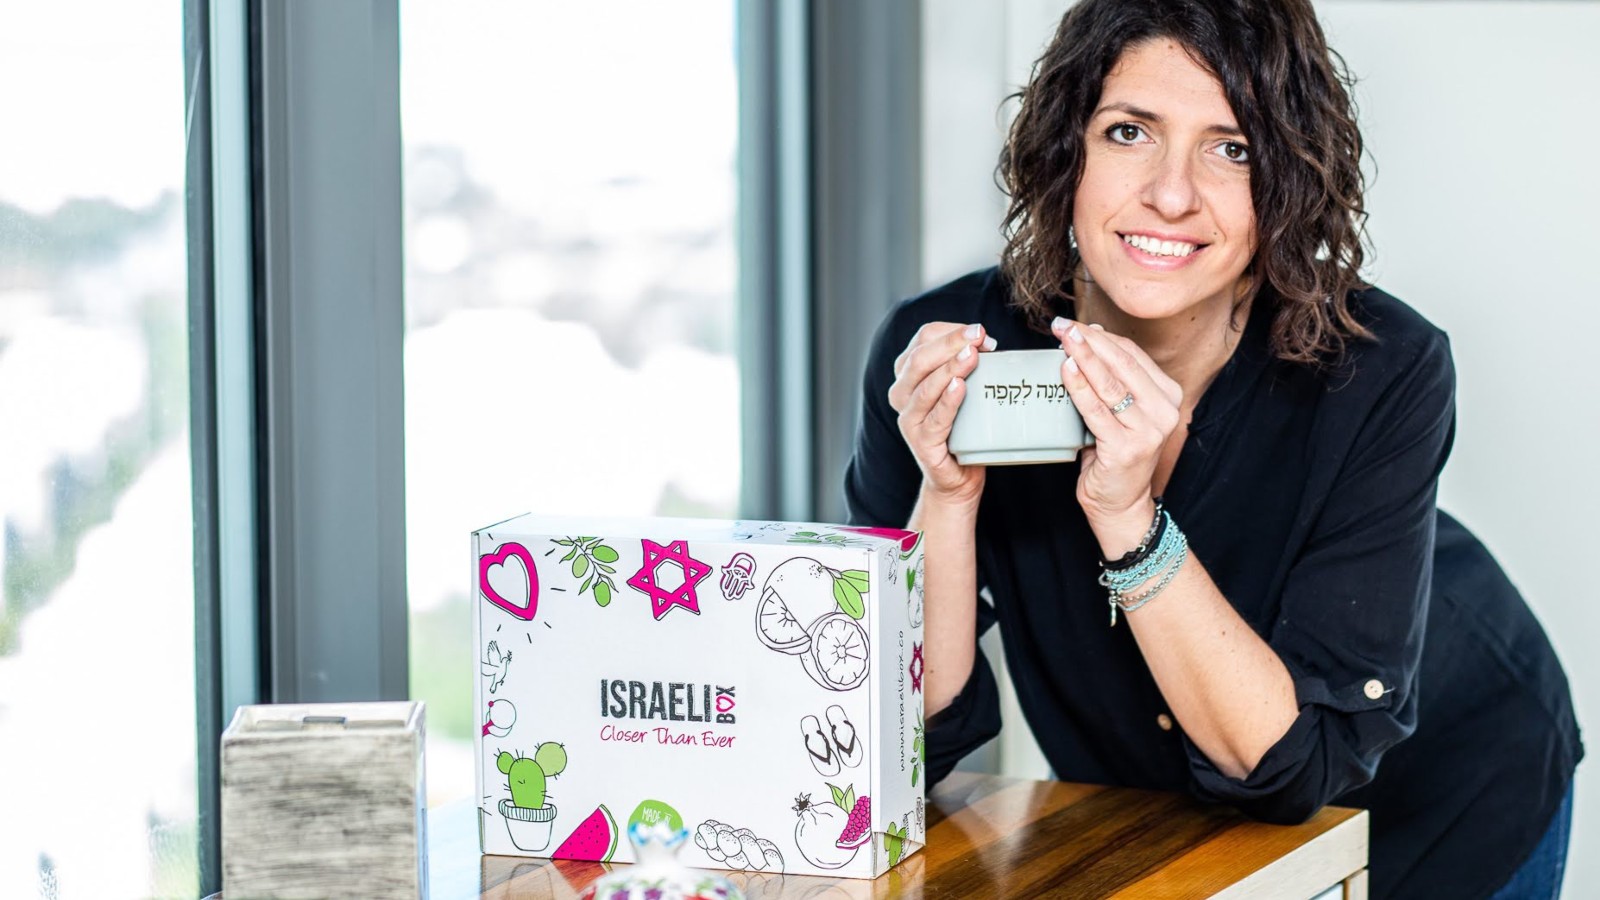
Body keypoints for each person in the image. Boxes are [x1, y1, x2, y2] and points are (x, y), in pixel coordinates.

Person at [842, 1, 1582, 897]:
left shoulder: (1381, 368)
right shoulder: (945, 348)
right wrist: (947, 499)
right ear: (1065, 151)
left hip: (1450, 789)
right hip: (1163, 820)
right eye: (1128, 132)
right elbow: (900, 745)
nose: (1171, 193)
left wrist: (1127, 517)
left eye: (1231, 148)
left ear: (1287, 180)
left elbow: (1288, 770)